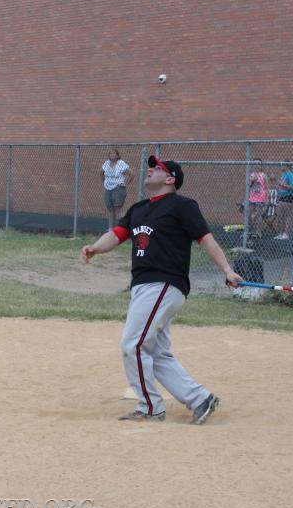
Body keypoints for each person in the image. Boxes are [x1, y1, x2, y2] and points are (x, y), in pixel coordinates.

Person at [82, 155, 243, 425]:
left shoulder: (182, 206)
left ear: (170, 180)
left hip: (164, 283)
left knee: (133, 345)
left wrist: (226, 270)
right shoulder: (139, 208)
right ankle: (200, 399)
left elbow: (206, 239)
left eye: (157, 169)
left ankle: (150, 408)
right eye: (151, 167)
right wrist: (96, 248)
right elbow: (117, 234)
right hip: (143, 286)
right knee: (156, 353)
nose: (150, 170)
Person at [101, 149, 133, 230]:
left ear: (117, 155)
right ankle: (110, 229)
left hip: (118, 188)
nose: (111, 155)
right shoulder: (106, 163)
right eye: (110, 153)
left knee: (118, 208)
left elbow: (132, 174)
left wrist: (125, 183)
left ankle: (122, 228)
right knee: (110, 209)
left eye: (114, 153)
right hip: (108, 188)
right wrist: (104, 182)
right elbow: (101, 172)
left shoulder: (121, 163)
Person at [274, 162, 293, 240]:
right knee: (280, 215)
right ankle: (281, 233)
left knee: (287, 215)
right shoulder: (283, 174)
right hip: (282, 196)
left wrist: (282, 185)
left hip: (288, 196)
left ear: (286, 166)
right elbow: (280, 185)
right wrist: (278, 186)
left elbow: (292, 187)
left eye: (282, 165)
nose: (281, 166)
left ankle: (286, 234)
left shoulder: (290, 174)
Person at [247, 159, 268, 234]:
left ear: (261, 166)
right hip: (252, 198)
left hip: (260, 198)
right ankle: (253, 230)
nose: (256, 165)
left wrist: (266, 199)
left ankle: (258, 231)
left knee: (257, 216)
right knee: (249, 215)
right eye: (255, 163)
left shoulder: (263, 175)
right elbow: (249, 186)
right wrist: (252, 181)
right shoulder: (251, 174)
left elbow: (266, 188)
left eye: (258, 164)